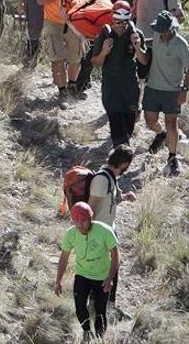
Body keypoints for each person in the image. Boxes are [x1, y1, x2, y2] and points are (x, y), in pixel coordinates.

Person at [55, 202, 119, 343]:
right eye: (76, 222)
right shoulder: (71, 234)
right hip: (82, 275)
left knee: (100, 311)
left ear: (91, 218)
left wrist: (109, 278)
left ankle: (99, 339)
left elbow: (115, 256)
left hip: (102, 276)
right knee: (79, 309)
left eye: (83, 221)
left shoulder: (105, 231)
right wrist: (58, 281)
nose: (80, 225)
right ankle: (87, 332)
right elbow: (64, 258)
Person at [143, 11, 189, 176]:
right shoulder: (157, 36)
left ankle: (172, 158)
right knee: (150, 121)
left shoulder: (180, 44)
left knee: (171, 123)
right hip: (152, 87)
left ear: (171, 28)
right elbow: (153, 43)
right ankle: (160, 134)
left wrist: (184, 90)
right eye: (160, 31)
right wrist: (140, 43)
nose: (163, 33)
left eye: (165, 30)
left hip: (172, 91)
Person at [86, 145, 136, 318]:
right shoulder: (101, 179)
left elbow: (108, 204)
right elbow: (90, 209)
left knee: (112, 270)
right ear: (123, 163)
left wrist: (124, 198)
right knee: (104, 271)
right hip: (99, 233)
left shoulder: (110, 178)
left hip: (108, 232)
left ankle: (108, 308)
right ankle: (102, 310)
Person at [91, 5, 148, 146]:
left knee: (129, 125)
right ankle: (120, 153)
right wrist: (104, 52)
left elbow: (144, 60)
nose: (121, 26)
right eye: (118, 22)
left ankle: (122, 149)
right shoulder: (105, 34)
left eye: (125, 22)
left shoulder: (136, 34)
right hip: (111, 85)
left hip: (130, 87)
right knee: (116, 120)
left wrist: (138, 47)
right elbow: (95, 62)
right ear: (112, 18)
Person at [36, 0, 84, 100]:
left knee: (75, 56)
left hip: (74, 20)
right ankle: (62, 91)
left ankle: (72, 86)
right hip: (53, 20)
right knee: (56, 57)